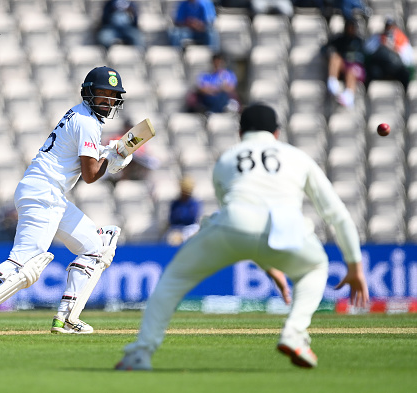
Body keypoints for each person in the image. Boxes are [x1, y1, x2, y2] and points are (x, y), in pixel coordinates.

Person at [116, 103, 369, 370]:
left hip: (233, 223)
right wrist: (355, 266)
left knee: (173, 279)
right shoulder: (297, 157)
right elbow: (337, 215)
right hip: (287, 228)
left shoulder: (227, 159)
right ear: (277, 133)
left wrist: (267, 265)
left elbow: (244, 226)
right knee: (316, 268)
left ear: (240, 132)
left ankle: (139, 354)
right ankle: (294, 334)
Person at [0, 66, 133, 334]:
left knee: (97, 246)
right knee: (25, 262)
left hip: (49, 194)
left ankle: (66, 318)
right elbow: (91, 175)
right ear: (88, 93)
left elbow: (77, 156)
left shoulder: (81, 115)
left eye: (112, 96)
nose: (107, 101)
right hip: (43, 193)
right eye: (102, 94)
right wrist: (112, 161)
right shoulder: (87, 122)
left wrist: (110, 151)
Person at [323, 18, 365, 108]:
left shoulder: (360, 42)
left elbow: (366, 57)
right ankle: (332, 84)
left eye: (352, 27)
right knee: (335, 58)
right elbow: (324, 49)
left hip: (356, 67)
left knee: (351, 72)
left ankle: (349, 96)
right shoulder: (339, 39)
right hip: (343, 66)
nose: (350, 29)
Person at [364, 17, 413, 91]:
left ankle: (406, 96)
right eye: (387, 26)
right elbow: (367, 50)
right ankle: (366, 94)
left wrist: (394, 48)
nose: (389, 28)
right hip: (381, 68)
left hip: (395, 69)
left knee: (405, 74)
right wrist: (380, 42)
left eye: (391, 26)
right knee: (371, 71)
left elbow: (408, 60)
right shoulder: (377, 37)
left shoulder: (401, 39)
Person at [165, 176, 201, 245]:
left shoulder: (194, 203)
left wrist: (180, 215)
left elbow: (192, 218)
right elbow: (172, 218)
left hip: (190, 228)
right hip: (176, 227)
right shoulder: (176, 203)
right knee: (170, 237)